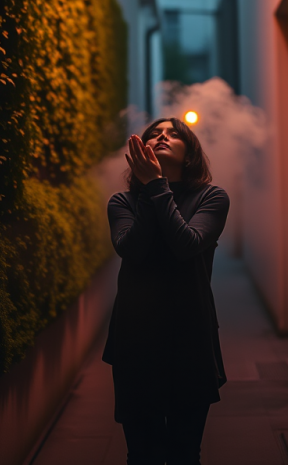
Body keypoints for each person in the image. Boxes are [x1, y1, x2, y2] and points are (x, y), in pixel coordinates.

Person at [102, 117, 230, 465]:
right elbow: (134, 249)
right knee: (141, 454)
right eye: (154, 133)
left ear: (189, 153)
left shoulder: (212, 197)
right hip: (135, 342)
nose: (161, 136)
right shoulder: (122, 202)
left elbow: (186, 244)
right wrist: (150, 189)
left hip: (191, 339)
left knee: (184, 453)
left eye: (173, 134)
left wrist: (156, 185)